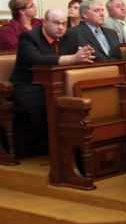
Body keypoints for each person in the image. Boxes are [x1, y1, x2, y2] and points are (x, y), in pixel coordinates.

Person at [10, 9, 95, 153]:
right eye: (56, 23)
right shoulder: (29, 37)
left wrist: (85, 56)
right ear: (45, 22)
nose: (61, 27)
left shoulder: (70, 35)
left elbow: (78, 55)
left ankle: (74, 142)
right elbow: (38, 60)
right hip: (29, 84)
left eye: (64, 24)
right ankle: (47, 144)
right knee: (46, 103)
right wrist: (73, 58)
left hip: (59, 83)